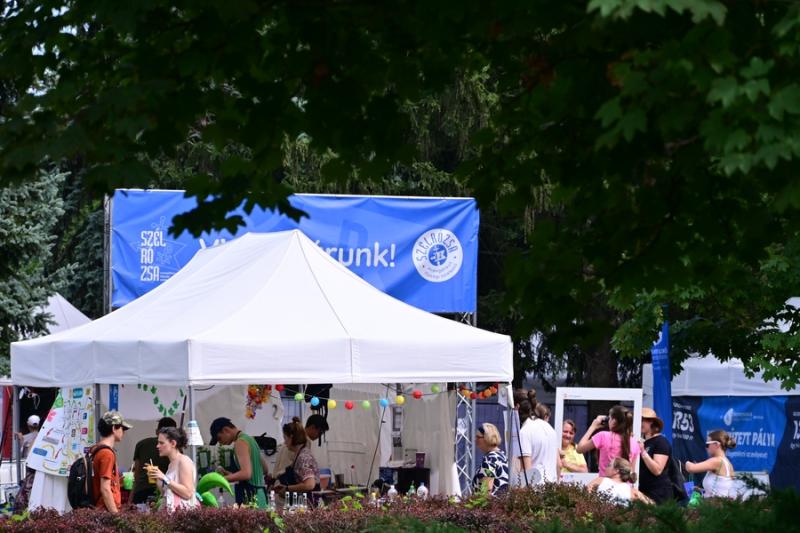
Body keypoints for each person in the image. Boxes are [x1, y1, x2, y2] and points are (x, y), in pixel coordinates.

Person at [209, 417, 268, 508]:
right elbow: (264, 469)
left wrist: (221, 480)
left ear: (226, 430)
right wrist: (230, 474)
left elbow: (246, 474)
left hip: (251, 496)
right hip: (261, 496)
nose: (220, 443)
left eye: (219, 438)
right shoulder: (251, 440)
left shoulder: (240, 442)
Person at [577, 405, 640, 474]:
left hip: (605, 480)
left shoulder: (603, 436)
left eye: (609, 418)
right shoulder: (635, 443)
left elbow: (579, 449)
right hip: (625, 481)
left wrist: (593, 426)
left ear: (614, 421)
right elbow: (632, 471)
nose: (608, 421)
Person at [147, 427, 199, 511]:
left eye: (161, 443)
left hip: (184, 514)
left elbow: (188, 493)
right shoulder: (171, 464)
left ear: (173, 443)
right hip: (174, 513)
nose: (157, 446)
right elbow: (166, 493)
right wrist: (157, 478)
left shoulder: (184, 460)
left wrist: (164, 478)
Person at [93, 411, 132, 512]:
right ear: (114, 428)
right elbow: (105, 489)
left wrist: (117, 481)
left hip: (96, 509)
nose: (124, 432)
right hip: (104, 511)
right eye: (122, 428)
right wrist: (115, 515)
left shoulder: (95, 449)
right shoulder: (107, 454)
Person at [132, 417, 176, 504]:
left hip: (142, 490)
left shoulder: (141, 444)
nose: (158, 446)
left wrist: (132, 496)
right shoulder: (175, 449)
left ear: (157, 431)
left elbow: (137, 474)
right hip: (164, 492)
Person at [516, 397, 559, 483]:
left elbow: (526, 471)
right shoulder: (551, 429)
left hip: (535, 487)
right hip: (552, 485)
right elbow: (558, 464)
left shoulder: (525, 431)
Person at [274, 417, 319, 496]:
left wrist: (288, 488)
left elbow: (309, 484)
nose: (285, 442)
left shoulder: (304, 457)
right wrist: (286, 487)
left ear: (291, 437)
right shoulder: (299, 454)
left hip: (308, 500)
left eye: (285, 438)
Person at [685, 429, 736, 498]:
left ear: (717, 445)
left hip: (715, 504)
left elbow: (691, 468)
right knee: (690, 493)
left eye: (707, 445)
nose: (706, 448)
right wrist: (701, 491)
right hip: (720, 502)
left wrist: (683, 461)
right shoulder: (728, 463)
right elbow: (721, 490)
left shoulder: (717, 461)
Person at [637, 407, 673, 504]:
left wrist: (643, 452)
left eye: (642, 420)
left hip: (658, 492)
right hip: (644, 490)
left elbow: (657, 470)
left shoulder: (661, 442)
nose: (639, 423)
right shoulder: (645, 442)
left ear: (651, 422)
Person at [587, 457, 652, 504]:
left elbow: (584, 494)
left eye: (609, 465)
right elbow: (651, 505)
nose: (606, 468)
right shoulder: (632, 491)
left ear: (616, 471)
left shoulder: (600, 480)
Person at [472, 423, 509, 496]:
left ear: (487, 438)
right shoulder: (502, 456)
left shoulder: (490, 459)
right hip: (502, 501)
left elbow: (486, 490)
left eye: (478, 437)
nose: (475, 440)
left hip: (491, 502)